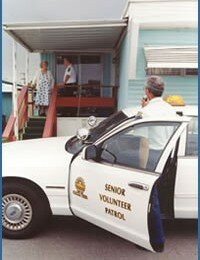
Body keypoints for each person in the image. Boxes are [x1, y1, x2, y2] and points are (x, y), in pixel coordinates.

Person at [139, 76, 177, 252]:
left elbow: (144, 142)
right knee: (156, 197)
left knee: (148, 199)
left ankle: (156, 241)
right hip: (168, 156)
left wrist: (139, 169)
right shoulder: (170, 110)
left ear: (148, 91)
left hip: (152, 156)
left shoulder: (147, 112)